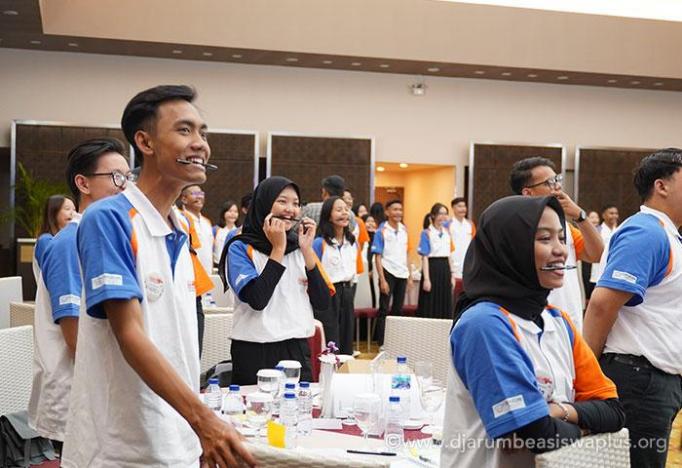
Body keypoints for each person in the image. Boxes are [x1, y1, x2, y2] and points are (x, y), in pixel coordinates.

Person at [62, 85, 254, 467]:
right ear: (145, 142)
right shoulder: (109, 218)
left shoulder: (182, 226)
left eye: (202, 133)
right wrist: (204, 422)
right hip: (119, 446)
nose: (200, 144)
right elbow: (129, 332)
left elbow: (177, 337)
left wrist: (197, 424)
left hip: (176, 435)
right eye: (184, 130)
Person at [442, 196, 625, 468]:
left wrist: (558, 411)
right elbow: (538, 435)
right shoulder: (484, 324)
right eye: (544, 239)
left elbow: (614, 411)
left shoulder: (557, 321)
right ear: (509, 248)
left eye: (561, 238)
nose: (561, 250)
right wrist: (583, 427)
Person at [28, 138, 130, 451]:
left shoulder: (106, 237)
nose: (125, 187)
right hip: (76, 390)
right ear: (83, 184)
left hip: (103, 388)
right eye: (115, 177)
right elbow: (74, 337)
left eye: (128, 177)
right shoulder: (67, 244)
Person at [584, 148, 682, 468]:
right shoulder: (647, 231)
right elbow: (602, 305)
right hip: (640, 380)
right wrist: (585, 373)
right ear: (661, 186)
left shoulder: (667, 235)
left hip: (654, 380)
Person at [221, 176, 333, 385]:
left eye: (296, 203)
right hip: (254, 348)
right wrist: (278, 249)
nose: (290, 209)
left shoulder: (300, 246)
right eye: (282, 201)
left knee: (298, 405)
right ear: (263, 204)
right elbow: (257, 299)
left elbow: (323, 302)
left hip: (296, 347)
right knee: (255, 406)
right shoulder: (240, 246)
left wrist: (306, 250)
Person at [510, 157, 603, 331]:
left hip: (570, 320)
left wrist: (580, 216)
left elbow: (598, 254)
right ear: (528, 193)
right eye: (550, 183)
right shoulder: (514, 228)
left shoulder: (566, 227)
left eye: (557, 180)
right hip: (534, 321)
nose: (558, 187)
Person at [313, 196, 358, 355]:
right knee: (330, 333)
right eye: (339, 210)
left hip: (347, 291)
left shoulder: (352, 242)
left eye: (346, 209)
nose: (344, 213)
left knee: (347, 333)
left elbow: (353, 270)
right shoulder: (319, 243)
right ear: (328, 216)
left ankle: (345, 366)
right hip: (327, 293)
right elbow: (312, 272)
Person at [371, 199, 409, 346]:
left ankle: (396, 341)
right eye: (395, 209)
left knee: (398, 309)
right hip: (388, 272)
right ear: (387, 212)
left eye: (400, 209)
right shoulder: (381, 231)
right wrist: (382, 279)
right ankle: (382, 343)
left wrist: (409, 275)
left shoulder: (404, 230)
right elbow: (377, 257)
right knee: (384, 309)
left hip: (402, 273)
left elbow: (406, 253)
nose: (398, 212)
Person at [417, 203, 455, 319]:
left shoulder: (447, 232)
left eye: (445, 214)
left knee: (445, 300)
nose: (443, 216)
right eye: (440, 213)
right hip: (432, 268)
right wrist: (426, 279)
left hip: (445, 268)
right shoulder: (426, 233)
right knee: (430, 301)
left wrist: (452, 275)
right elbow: (425, 257)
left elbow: (449, 255)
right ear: (433, 215)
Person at [33, 195, 75, 281]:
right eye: (67, 209)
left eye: (74, 210)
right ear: (53, 212)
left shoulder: (70, 239)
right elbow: (57, 273)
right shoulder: (45, 240)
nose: (73, 213)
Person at [181, 184, 214, 274]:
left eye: (201, 194)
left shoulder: (207, 222)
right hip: (190, 274)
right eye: (194, 193)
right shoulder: (181, 219)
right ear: (184, 199)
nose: (199, 197)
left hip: (207, 274)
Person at [589, 204, 619, 285]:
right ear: (603, 215)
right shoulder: (597, 231)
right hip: (598, 271)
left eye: (616, 213)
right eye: (611, 213)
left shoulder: (618, 231)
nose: (614, 216)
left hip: (613, 271)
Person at [447, 197, 475, 280]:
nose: (463, 209)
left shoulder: (470, 224)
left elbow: (474, 244)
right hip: (452, 262)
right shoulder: (447, 224)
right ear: (453, 208)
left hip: (467, 262)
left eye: (464, 206)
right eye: (459, 206)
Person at [580, 210, 601, 302]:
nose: (595, 220)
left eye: (596, 217)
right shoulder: (583, 230)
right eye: (592, 217)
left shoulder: (602, 231)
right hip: (587, 260)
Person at [213, 199, 240, 266]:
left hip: (233, 265)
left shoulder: (240, 231)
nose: (233, 214)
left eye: (235, 211)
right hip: (216, 264)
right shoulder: (216, 230)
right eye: (230, 211)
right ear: (223, 213)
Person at [362, 213, 378, 308]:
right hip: (363, 276)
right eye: (368, 221)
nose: (371, 223)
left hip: (375, 274)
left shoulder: (378, 237)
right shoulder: (361, 240)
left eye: (373, 221)